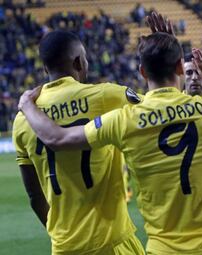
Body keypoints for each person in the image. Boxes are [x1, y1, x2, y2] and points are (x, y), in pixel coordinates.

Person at [18, 28, 202, 255]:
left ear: (142, 71)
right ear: (182, 67)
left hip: (145, 247)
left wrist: (27, 105)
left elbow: (55, 142)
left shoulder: (122, 120)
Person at [12, 30, 144, 254]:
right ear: (78, 61)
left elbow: (35, 196)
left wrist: (63, 234)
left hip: (65, 247)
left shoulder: (23, 119)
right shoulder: (107, 96)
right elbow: (158, 111)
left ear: (46, 69)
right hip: (112, 242)